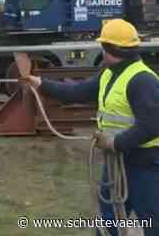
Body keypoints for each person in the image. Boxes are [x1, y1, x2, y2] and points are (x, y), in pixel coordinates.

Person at [20, 19, 159, 236]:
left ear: (109, 48)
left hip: (145, 163)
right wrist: (40, 83)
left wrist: (115, 142)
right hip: (116, 162)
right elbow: (77, 92)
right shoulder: (109, 73)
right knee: (107, 222)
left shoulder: (142, 80)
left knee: (152, 222)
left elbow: (152, 125)